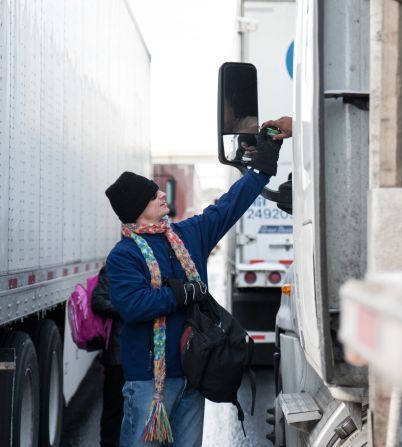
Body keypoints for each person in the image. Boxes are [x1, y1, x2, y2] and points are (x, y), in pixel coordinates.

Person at [104, 133, 281, 446]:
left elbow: (228, 207)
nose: (161, 193)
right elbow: (132, 305)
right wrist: (180, 293)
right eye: (151, 194)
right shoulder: (125, 255)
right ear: (136, 208)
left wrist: (262, 167)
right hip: (149, 384)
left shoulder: (187, 235)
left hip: (192, 375)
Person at [90, 265, 124, 447]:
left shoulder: (151, 265)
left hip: (143, 357)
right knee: (113, 411)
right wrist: (128, 309)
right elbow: (98, 300)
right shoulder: (116, 265)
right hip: (118, 355)